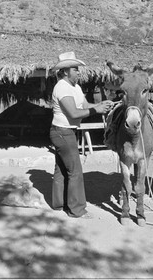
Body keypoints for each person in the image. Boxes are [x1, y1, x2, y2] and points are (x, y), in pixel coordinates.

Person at [49, 51, 113, 219]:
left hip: (65, 131)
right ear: (65, 71)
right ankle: (77, 210)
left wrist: (100, 105)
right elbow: (73, 113)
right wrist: (95, 110)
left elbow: (84, 105)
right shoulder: (62, 87)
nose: (78, 72)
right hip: (63, 131)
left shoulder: (75, 87)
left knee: (62, 169)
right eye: (75, 69)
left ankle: (58, 204)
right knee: (75, 171)